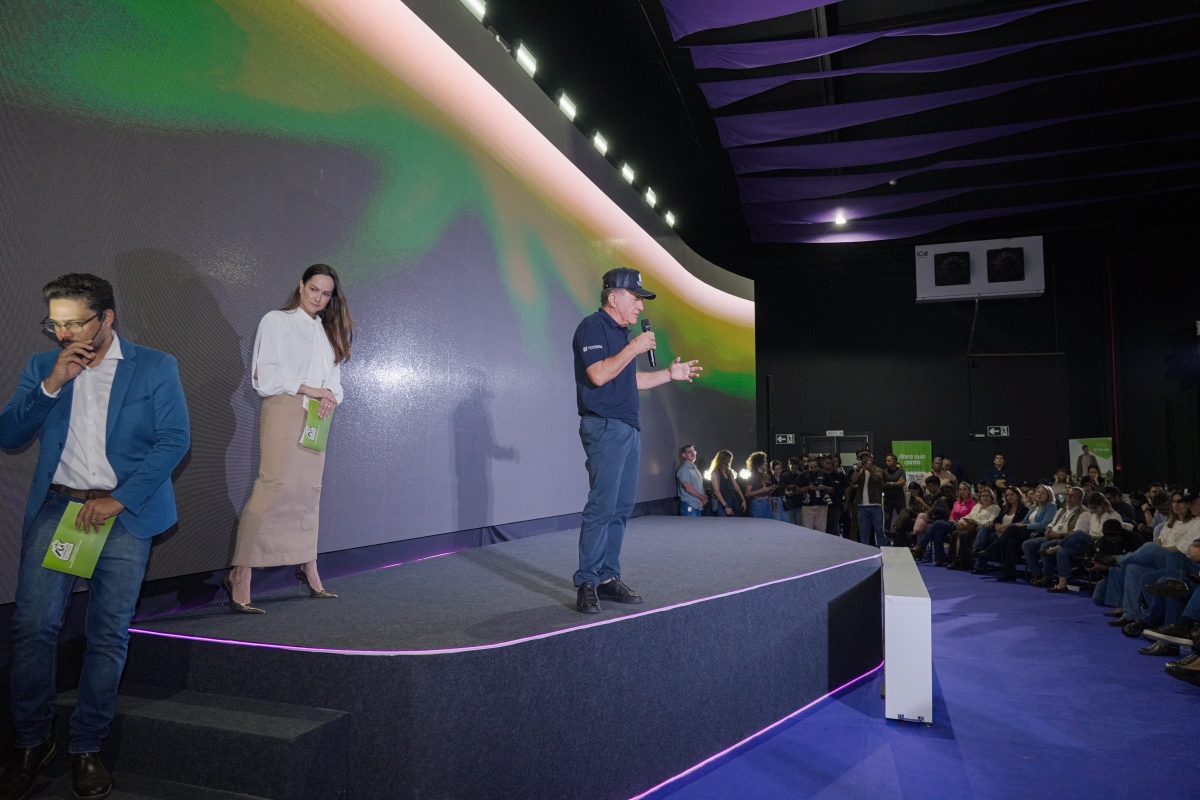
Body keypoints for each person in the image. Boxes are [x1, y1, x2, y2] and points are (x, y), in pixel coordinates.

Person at [0, 274, 190, 800]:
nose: (63, 334)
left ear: (106, 317)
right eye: (55, 324)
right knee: (32, 628)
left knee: (107, 632)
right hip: (58, 507)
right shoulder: (45, 365)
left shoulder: (154, 365)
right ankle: (32, 741)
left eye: (75, 323)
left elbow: (175, 439)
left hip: (122, 513)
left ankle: (87, 745)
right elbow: (9, 433)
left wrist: (119, 498)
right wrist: (51, 385)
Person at [571, 267, 702, 613]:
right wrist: (633, 347)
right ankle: (587, 581)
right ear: (614, 298)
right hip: (605, 427)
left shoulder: (623, 334)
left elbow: (631, 381)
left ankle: (607, 577)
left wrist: (670, 374)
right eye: (636, 298)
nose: (641, 306)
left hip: (628, 428)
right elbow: (599, 375)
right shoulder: (593, 327)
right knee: (602, 506)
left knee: (621, 508)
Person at [227, 265, 352, 613]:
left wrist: (330, 396)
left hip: (318, 415)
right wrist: (313, 390)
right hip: (284, 407)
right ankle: (241, 574)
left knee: (308, 491)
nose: (319, 298)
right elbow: (265, 375)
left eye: (326, 294)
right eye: (314, 289)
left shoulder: (327, 331)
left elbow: (335, 381)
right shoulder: (276, 320)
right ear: (300, 286)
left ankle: (308, 566)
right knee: (274, 486)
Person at [1043, 493, 1122, 593]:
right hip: (1090, 544)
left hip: (1104, 543)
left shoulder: (1114, 516)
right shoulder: (1094, 515)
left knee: (1079, 533)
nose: (1093, 510)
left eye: (1095, 507)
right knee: (1062, 552)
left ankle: (1055, 548)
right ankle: (1062, 584)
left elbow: (1112, 535)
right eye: (1091, 508)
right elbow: (1091, 531)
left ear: (1103, 504)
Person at [980, 485, 1058, 581]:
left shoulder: (1050, 506)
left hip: (1038, 533)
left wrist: (1025, 526)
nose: (1039, 494)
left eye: (1043, 493)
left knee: (1012, 528)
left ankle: (991, 551)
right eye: (1038, 492)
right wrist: (1020, 525)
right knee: (1011, 541)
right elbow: (1024, 521)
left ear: (1048, 495)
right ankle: (1009, 574)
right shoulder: (1034, 507)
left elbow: (1045, 524)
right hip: (1026, 532)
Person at [1025, 486, 1085, 585]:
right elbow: (1051, 523)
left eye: (1073, 496)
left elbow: (1076, 533)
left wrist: (1058, 535)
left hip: (1065, 539)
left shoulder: (1083, 513)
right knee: (1028, 544)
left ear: (1080, 498)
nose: (1069, 497)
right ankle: (1037, 574)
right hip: (1053, 535)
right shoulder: (1062, 510)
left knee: (1045, 545)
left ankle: (1047, 577)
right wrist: (1048, 530)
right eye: (1068, 495)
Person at [944, 487, 999, 570]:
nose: (985, 498)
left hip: (981, 529)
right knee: (956, 533)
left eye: (987, 496)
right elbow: (968, 516)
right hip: (970, 527)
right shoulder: (977, 506)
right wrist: (961, 521)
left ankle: (964, 560)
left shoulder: (995, 507)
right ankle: (956, 559)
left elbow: (991, 521)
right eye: (982, 496)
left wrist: (976, 522)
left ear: (992, 497)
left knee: (963, 534)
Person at [925, 483, 977, 566]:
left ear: (969, 491)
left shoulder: (973, 504)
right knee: (938, 532)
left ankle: (921, 545)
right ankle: (939, 558)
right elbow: (951, 515)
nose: (962, 491)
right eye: (960, 489)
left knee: (937, 523)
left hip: (963, 526)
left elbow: (972, 518)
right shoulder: (957, 503)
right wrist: (952, 520)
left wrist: (958, 521)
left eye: (964, 489)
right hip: (954, 523)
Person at [848, 450, 885, 547]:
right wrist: (857, 469)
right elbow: (853, 480)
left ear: (871, 459)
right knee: (863, 530)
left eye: (867, 458)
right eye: (863, 459)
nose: (865, 460)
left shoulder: (878, 470)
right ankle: (865, 550)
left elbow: (878, 480)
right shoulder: (860, 471)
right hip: (862, 505)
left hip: (875, 505)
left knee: (879, 530)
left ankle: (882, 549)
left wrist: (870, 469)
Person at [892, 482, 931, 547]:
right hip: (914, 514)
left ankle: (897, 535)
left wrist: (921, 502)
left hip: (923, 516)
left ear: (918, 490)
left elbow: (927, 511)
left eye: (914, 492)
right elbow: (911, 509)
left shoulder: (925, 497)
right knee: (904, 514)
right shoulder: (912, 498)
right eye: (911, 492)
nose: (913, 494)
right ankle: (896, 529)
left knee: (909, 519)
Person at [797, 455, 828, 532]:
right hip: (807, 506)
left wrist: (824, 487)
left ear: (818, 464)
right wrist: (808, 488)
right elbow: (798, 490)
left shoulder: (825, 474)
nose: (813, 469)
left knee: (821, 530)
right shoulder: (803, 475)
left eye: (815, 467)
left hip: (821, 505)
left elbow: (832, 489)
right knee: (807, 530)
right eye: (811, 467)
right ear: (808, 466)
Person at [709, 450, 744, 518]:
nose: (730, 462)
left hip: (731, 499)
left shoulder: (729, 472)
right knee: (723, 522)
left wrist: (743, 500)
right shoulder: (715, 473)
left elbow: (736, 487)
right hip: (721, 502)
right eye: (729, 460)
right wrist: (725, 506)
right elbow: (716, 492)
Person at [676, 445, 705, 517]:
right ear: (684, 455)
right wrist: (702, 497)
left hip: (697, 505)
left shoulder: (695, 468)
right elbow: (688, 488)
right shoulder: (684, 469)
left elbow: (700, 486)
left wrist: (703, 498)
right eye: (689, 452)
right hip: (689, 504)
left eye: (694, 452)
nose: (693, 453)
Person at [823, 455, 849, 537]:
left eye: (829, 469)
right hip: (822, 505)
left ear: (833, 467)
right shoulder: (821, 474)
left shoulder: (839, 475)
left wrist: (846, 503)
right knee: (823, 527)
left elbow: (847, 488)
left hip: (835, 504)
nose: (827, 471)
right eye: (825, 469)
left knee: (833, 527)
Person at [881, 454, 907, 534]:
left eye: (889, 461)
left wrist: (890, 484)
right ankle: (887, 535)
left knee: (902, 517)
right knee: (887, 519)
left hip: (899, 499)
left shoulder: (901, 471)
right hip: (888, 499)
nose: (887, 462)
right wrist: (896, 483)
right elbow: (882, 484)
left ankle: (902, 536)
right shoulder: (884, 472)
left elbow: (902, 483)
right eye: (886, 461)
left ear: (895, 461)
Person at [780, 457, 802, 524]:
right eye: (792, 467)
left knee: (798, 523)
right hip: (789, 502)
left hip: (799, 502)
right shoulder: (784, 475)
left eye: (796, 467)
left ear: (798, 466)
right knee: (789, 522)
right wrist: (789, 487)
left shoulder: (801, 475)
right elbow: (783, 487)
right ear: (789, 465)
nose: (794, 469)